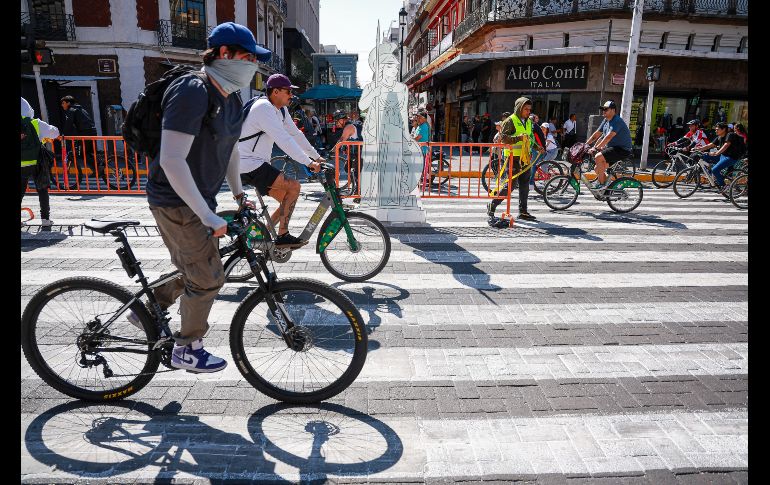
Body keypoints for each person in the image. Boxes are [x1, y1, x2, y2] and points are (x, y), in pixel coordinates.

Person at [137, 21, 268, 373]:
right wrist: (208, 216)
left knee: (202, 267)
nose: (253, 65)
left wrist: (240, 195)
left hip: (198, 198)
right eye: (248, 57)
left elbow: (232, 151)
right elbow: (171, 159)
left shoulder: (232, 97)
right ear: (224, 54)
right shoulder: (192, 90)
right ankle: (187, 348)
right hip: (173, 200)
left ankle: (146, 309)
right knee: (209, 277)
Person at [239, 73, 323, 243]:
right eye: (288, 92)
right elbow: (284, 140)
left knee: (287, 197)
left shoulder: (281, 110)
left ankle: (263, 238)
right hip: (247, 163)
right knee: (294, 187)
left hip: (257, 164)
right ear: (275, 92)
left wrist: (316, 156)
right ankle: (283, 235)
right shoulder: (263, 108)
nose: (291, 95)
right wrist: (308, 162)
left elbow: (295, 134)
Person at [487, 97, 543, 224]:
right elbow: (503, 138)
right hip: (512, 157)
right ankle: (492, 206)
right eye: (526, 109)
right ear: (519, 108)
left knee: (525, 185)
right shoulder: (510, 120)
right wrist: (518, 138)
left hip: (525, 158)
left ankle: (523, 211)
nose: (528, 112)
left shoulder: (529, 122)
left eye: (529, 109)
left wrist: (537, 147)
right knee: (510, 185)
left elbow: (528, 139)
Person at [21, 96, 60, 226]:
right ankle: (45, 219)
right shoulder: (36, 123)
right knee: (42, 189)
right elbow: (55, 133)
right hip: (37, 161)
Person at [585, 100, 633, 190]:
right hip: (613, 148)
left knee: (598, 156)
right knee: (597, 169)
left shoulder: (617, 121)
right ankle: (608, 186)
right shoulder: (606, 120)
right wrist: (585, 145)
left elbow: (608, 137)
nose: (604, 111)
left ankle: (602, 185)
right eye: (603, 109)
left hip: (622, 149)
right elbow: (597, 134)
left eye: (606, 109)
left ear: (613, 111)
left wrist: (595, 148)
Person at [693, 121, 745, 191]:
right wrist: (698, 149)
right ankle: (713, 175)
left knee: (715, 169)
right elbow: (710, 145)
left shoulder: (730, 135)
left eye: (717, 129)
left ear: (723, 129)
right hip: (722, 156)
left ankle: (724, 186)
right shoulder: (719, 137)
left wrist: (717, 153)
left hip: (731, 158)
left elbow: (726, 145)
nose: (715, 130)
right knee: (704, 157)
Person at [60, 95, 98, 187]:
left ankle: (97, 169)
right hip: (91, 132)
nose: (62, 105)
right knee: (88, 152)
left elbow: (69, 124)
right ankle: (97, 169)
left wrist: (63, 135)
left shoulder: (71, 110)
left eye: (63, 103)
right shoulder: (80, 109)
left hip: (85, 134)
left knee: (81, 154)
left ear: (68, 103)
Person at [326, 110, 358, 193]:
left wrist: (332, 151)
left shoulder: (349, 127)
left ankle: (359, 192)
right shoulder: (347, 126)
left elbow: (341, 140)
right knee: (347, 168)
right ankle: (357, 187)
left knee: (356, 171)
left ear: (342, 120)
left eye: (337, 121)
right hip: (354, 152)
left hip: (359, 153)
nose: (336, 123)